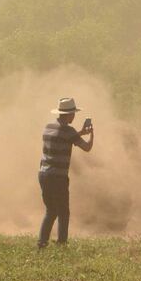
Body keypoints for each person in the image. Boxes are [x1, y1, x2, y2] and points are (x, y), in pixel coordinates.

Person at [37, 97, 93, 248]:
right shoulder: (69, 131)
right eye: (73, 113)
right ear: (68, 115)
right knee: (63, 212)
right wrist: (91, 134)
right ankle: (62, 243)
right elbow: (87, 148)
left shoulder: (48, 126)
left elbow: (62, 138)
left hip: (43, 173)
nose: (74, 116)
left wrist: (79, 132)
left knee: (50, 210)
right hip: (58, 176)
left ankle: (42, 242)